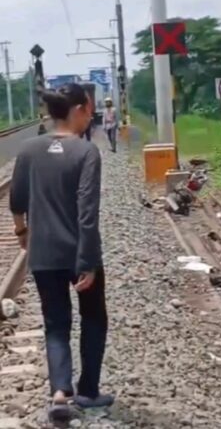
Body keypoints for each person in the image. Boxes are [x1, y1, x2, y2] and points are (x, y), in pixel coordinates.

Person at [9, 83, 112, 421]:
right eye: (89, 108)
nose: (91, 114)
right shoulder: (85, 152)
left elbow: (17, 200)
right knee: (94, 318)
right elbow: (87, 212)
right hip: (79, 252)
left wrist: (23, 232)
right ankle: (88, 391)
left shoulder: (29, 150)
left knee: (55, 324)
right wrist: (88, 262)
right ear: (80, 108)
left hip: (44, 253)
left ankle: (59, 393)